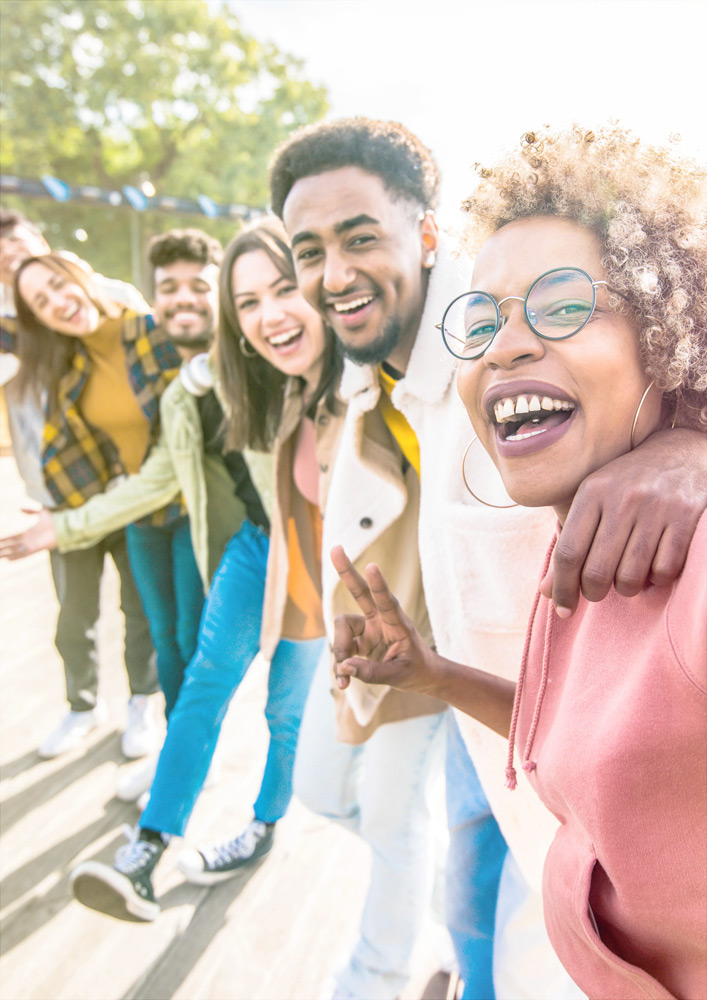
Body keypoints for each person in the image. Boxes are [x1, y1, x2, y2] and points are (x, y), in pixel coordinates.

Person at [270, 117, 707, 999]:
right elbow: (585, 724)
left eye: (564, 305)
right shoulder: (385, 397)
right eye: (306, 251)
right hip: (528, 783)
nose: (506, 340)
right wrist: (431, 675)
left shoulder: (659, 524)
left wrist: (695, 439)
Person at [1, 218, 341, 921]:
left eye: (281, 291)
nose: (266, 312)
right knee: (202, 680)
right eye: (246, 302)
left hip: (319, 553)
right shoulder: (197, 388)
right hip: (256, 545)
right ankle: (149, 847)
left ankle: (260, 825)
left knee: (285, 707)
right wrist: (59, 529)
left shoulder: (338, 363)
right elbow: (153, 479)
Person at [2, 249, 181, 759]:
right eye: (38, 298)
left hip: (143, 503)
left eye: (58, 284)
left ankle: (143, 703)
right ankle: (82, 706)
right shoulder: (54, 352)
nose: (56, 301)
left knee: (142, 612)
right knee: (73, 616)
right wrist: (53, 505)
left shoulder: (140, 325)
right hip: (72, 503)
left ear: (79, 271)